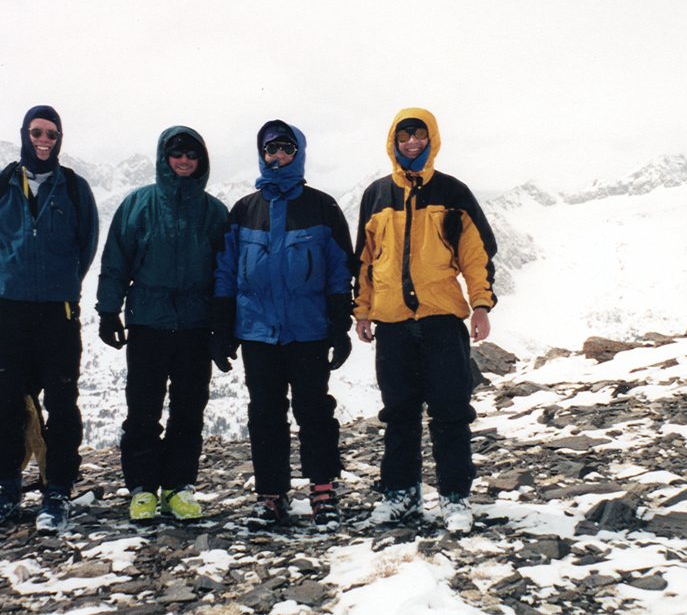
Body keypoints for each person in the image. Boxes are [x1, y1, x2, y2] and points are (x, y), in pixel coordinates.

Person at [354, 107, 497, 533]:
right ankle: (402, 494)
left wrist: (482, 305)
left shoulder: (453, 192)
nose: (411, 143)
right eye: (404, 136)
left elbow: (476, 254)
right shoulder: (377, 195)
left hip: (441, 320)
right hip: (393, 323)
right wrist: (361, 310)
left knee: (450, 411)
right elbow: (363, 260)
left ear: (431, 138)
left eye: (419, 135)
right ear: (393, 142)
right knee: (399, 413)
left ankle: (455, 497)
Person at [212, 120, 354, 531]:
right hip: (257, 332)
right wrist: (223, 328)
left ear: (299, 153)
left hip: (307, 330)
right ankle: (271, 496)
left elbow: (338, 269)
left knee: (314, 412)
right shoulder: (243, 210)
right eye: (271, 149)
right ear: (261, 154)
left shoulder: (322, 207)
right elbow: (225, 271)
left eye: (286, 149)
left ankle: (323, 492)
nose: (278, 157)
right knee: (266, 414)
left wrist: (339, 324)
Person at [0, 105, 99, 534]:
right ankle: (6, 487)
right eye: (37, 131)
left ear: (60, 138)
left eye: (52, 133)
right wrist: (5, 281)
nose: (45, 139)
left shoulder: (75, 190)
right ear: (25, 134)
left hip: (56, 313)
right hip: (6, 309)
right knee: (3, 401)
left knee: (62, 403)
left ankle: (58, 490)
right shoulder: (0, 185)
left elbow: (86, 248)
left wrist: (58, 285)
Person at [95, 127, 228, 522]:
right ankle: (142, 489)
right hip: (148, 323)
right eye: (177, 154)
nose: (184, 161)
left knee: (189, 410)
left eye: (192, 155)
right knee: (143, 410)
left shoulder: (214, 211)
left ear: (201, 161)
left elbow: (226, 274)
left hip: (194, 326)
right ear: (164, 157)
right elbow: (116, 261)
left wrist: (224, 326)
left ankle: (179, 487)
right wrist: (108, 311)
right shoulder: (139, 204)